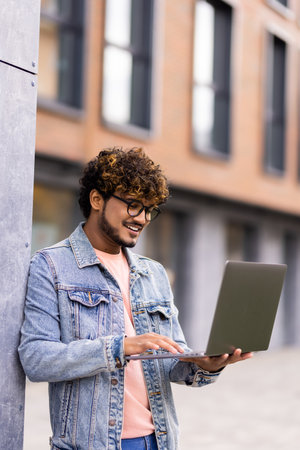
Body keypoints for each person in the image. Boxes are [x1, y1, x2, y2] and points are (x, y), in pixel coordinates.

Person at [19, 147, 252, 450]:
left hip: (159, 441)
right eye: (133, 205)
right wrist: (119, 347)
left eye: (149, 210)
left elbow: (171, 360)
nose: (141, 218)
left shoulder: (152, 273)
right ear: (97, 199)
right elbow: (36, 359)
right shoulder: (50, 266)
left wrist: (205, 364)